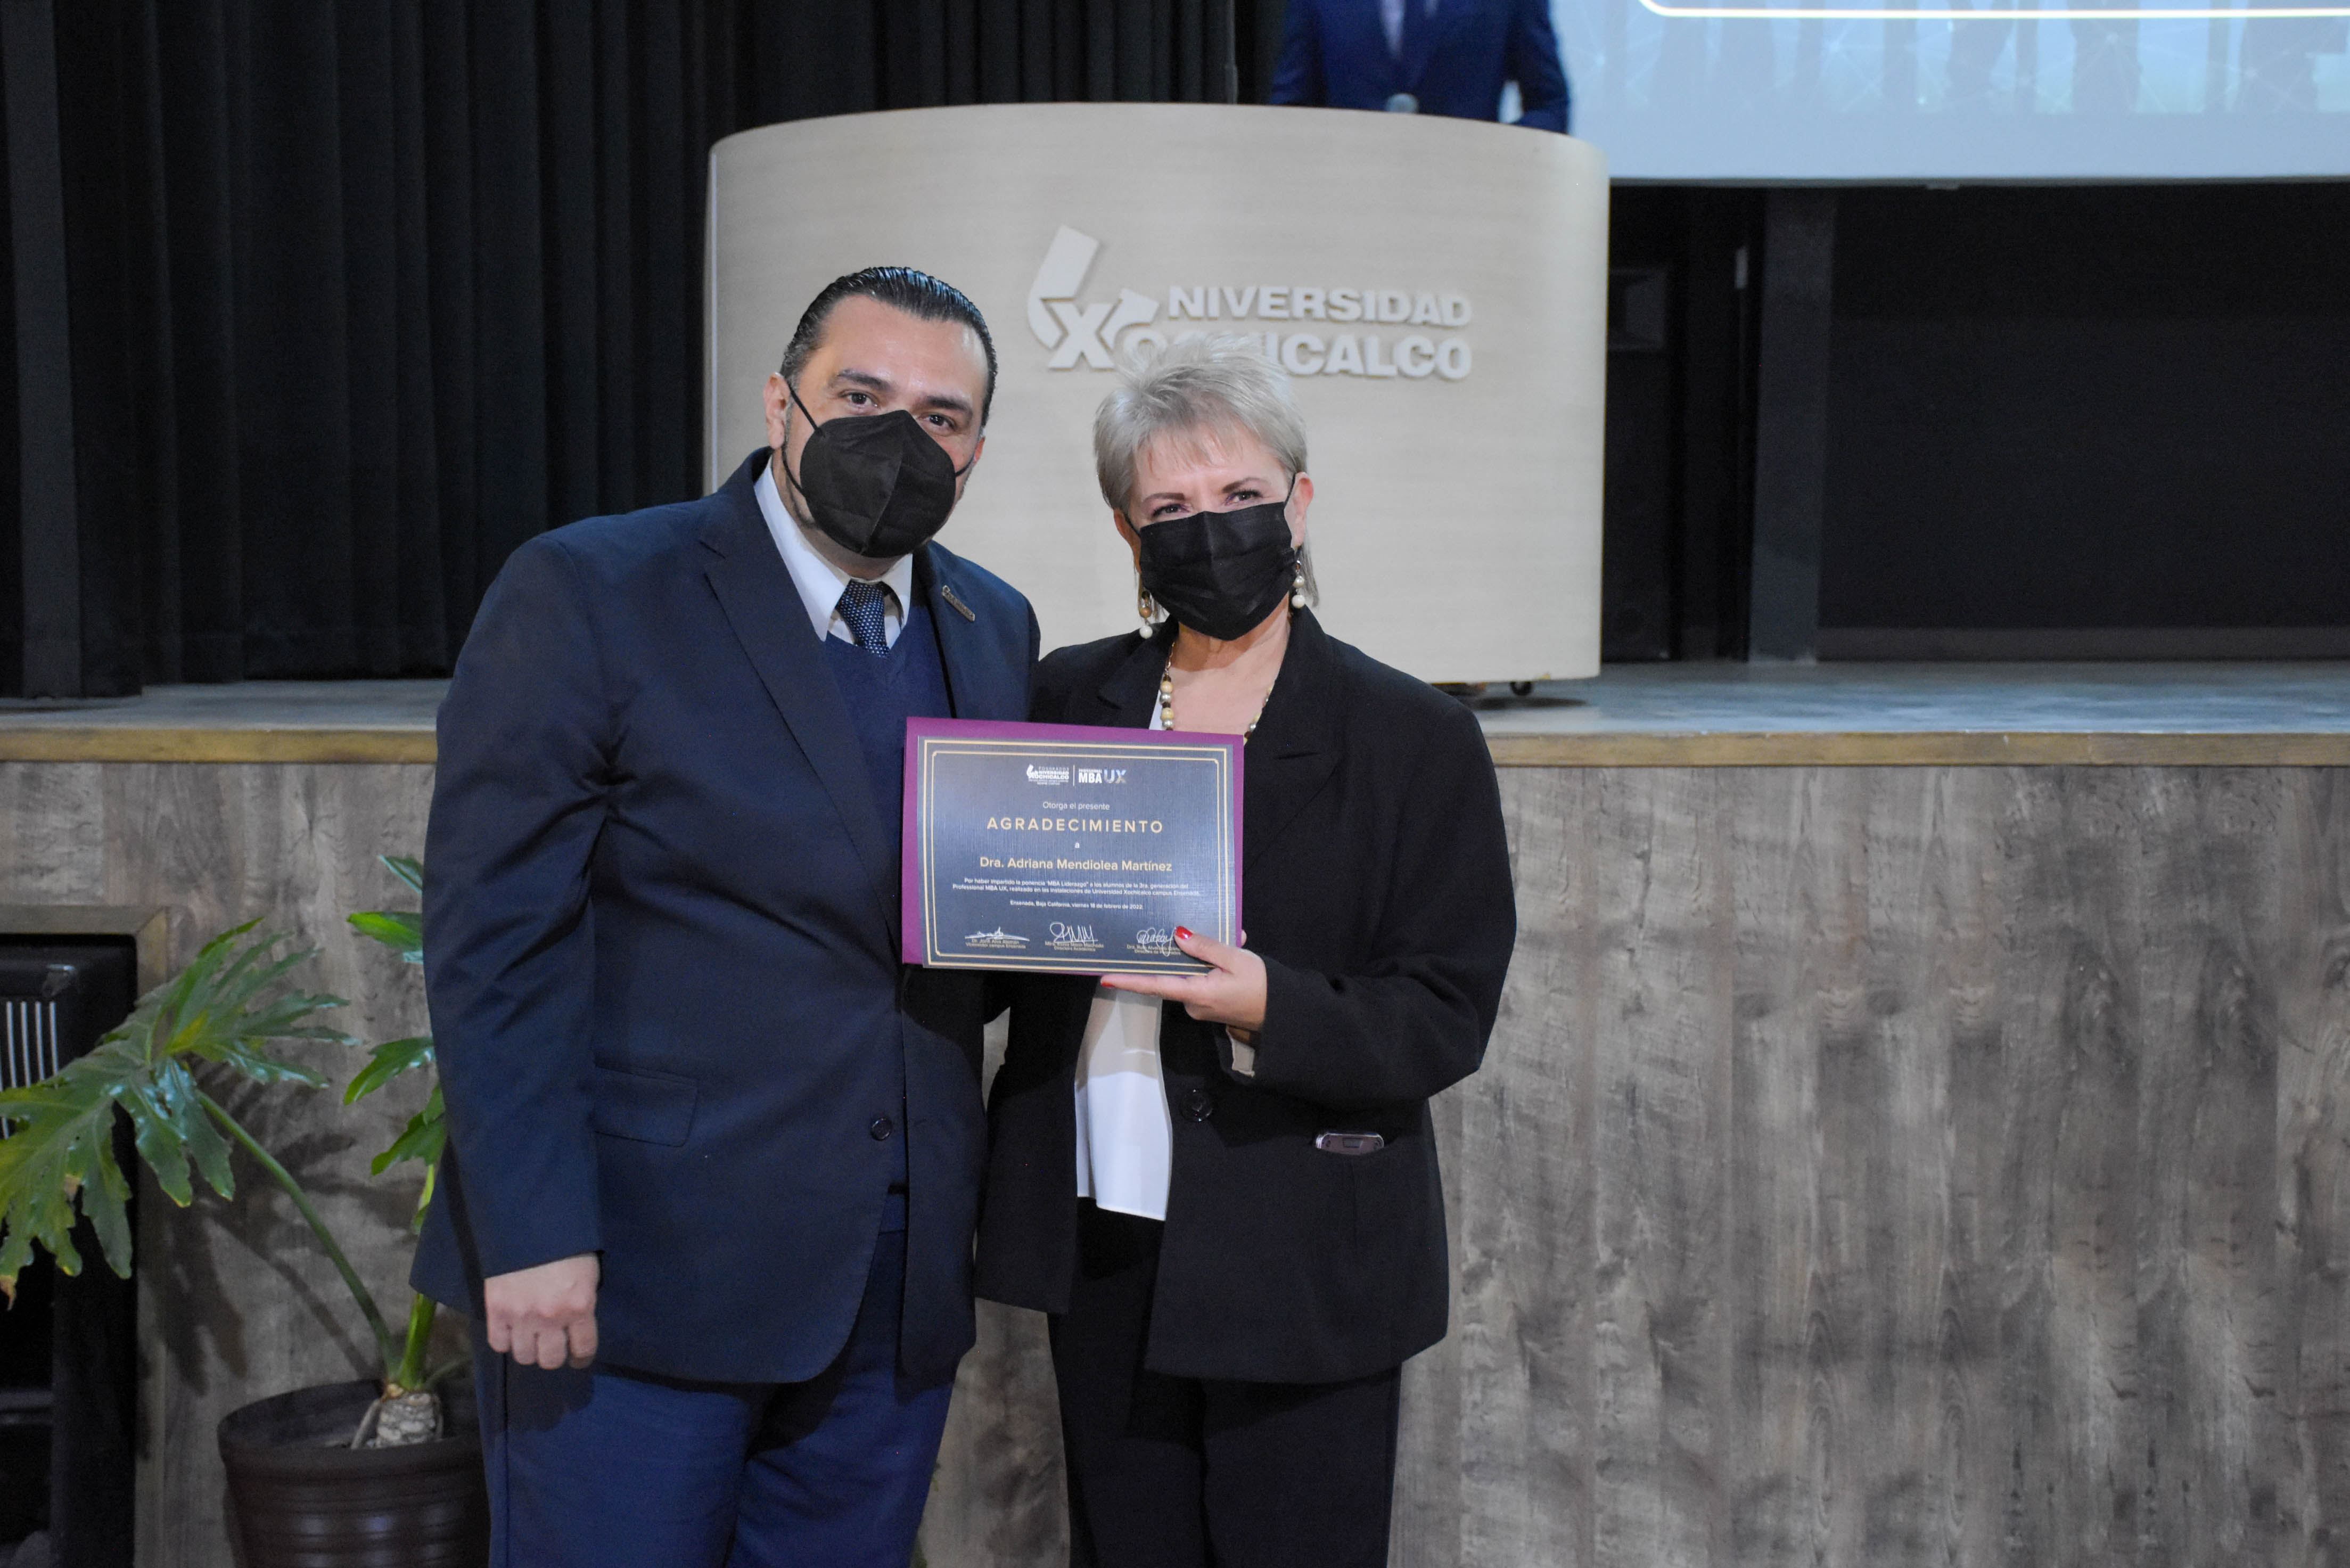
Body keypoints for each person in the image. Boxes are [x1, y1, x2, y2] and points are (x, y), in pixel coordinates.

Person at [415, 267, 1038, 1567]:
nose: (897, 436)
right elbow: (495, 938)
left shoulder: (993, 624)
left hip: (888, 1285)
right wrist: (531, 1232)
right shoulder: (592, 589)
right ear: (780, 402)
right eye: (859, 395)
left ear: (977, 449)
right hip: (630, 1281)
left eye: (939, 415)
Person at [974, 335, 1517, 1568]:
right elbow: (996, 936)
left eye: (1239, 498)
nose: (1206, 531)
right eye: (1169, 506)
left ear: (1299, 504)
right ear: (1126, 531)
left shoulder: (1410, 735)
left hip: (1302, 1243)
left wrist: (1267, 1001)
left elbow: (1443, 1009)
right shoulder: (1064, 696)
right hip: (1103, 1226)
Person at [1272, 0, 1571, 132]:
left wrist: (1497, 153)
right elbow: (1291, 107)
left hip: (1468, 212)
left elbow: (1550, 105)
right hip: (1349, 212)